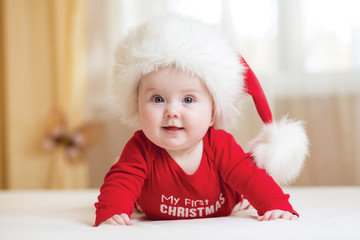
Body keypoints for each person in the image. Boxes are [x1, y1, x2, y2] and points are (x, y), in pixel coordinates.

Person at [94, 15, 309, 226]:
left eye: (188, 99)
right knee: (121, 171)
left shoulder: (220, 146)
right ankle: (132, 194)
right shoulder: (141, 148)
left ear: (213, 114)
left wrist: (274, 204)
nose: (172, 111)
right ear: (137, 107)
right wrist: (113, 211)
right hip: (148, 203)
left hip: (225, 203)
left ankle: (238, 198)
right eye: (158, 99)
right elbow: (120, 182)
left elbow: (252, 178)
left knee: (245, 174)